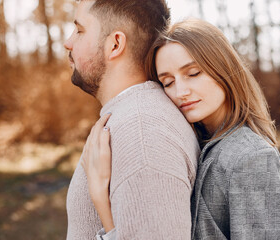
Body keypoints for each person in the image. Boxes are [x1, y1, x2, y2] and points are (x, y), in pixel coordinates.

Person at [83, 18, 280, 239]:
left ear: (223, 68)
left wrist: (101, 198)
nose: (180, 91)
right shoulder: (193, 144)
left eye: (193, 74)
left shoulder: (252, 157)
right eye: (168, 82)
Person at [64, 1, 200, 239]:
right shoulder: (133, 119)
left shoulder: (143, 134)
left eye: (80, 30)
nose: (68, 42)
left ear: (115, 44)